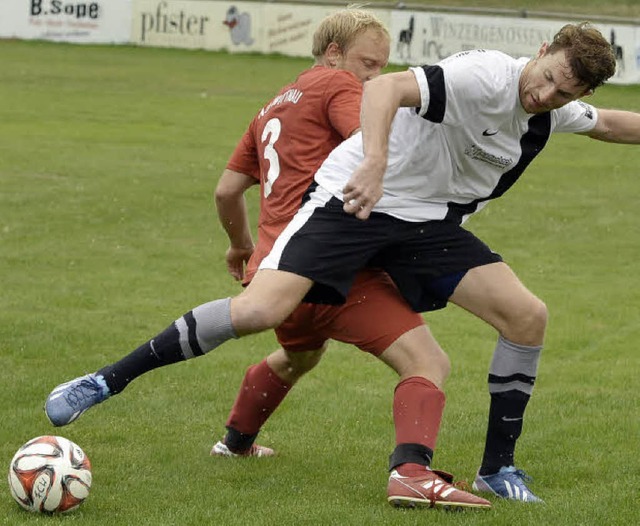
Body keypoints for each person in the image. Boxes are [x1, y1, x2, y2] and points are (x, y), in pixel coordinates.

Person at [45, 21, 638, 504]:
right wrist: (375, 160)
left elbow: (609, 124)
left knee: (526, 316)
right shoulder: (482, 75)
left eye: (564, 92)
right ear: (540, 52)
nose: (545, 95)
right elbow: (384, 90)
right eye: (547, 78)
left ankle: (496, 469)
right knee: (261, 309)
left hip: (424, 222)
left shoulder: (551, 111)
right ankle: (104, 381)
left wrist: (572, 109)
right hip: (350, 199)